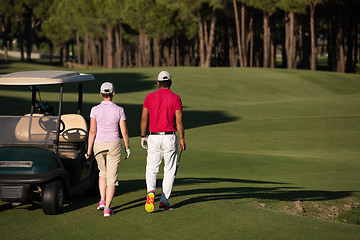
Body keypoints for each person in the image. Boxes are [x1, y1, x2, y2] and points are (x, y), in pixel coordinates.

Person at [140, 70, 186, 212]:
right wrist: (182, 139)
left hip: (153, 136)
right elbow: (179, 121)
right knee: (169, 171)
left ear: (158, 83)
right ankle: (164, 202)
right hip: (169, 137)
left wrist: (143, 136)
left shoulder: (149, 97)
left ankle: (151, 192)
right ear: (170, 83)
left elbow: (144, 119)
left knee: (151, 168)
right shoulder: (176, 98)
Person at [85, 82, 130, 217]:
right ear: (113, 93)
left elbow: (92, 131)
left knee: (102, 173)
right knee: (112, 178)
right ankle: (107, 208)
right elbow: (125, 131)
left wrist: (88, 150)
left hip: (98, 144)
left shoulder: (95, 109)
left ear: (100, 94)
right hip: (114, 144)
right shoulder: (119, 109)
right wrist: (127, 147)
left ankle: (102, 200)